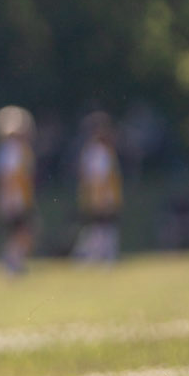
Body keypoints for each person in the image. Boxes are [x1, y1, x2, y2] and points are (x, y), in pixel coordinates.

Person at [0, 106, 36, 276]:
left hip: (20, 197)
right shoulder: (10, 148)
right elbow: (5, 177)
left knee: (19, 232)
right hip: (14, 199)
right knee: (20, 231)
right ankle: (10, 263)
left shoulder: (19, 148)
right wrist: (6, 200)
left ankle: (12, 261)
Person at [75, 112, 123, 264]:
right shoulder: (98, 150)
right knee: (101, 224)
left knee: (101, 225)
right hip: (101, 195)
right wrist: (101, 198)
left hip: (100, 194)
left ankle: (100, 254)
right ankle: (95, 254)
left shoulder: (96, 150)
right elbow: (97, 177)